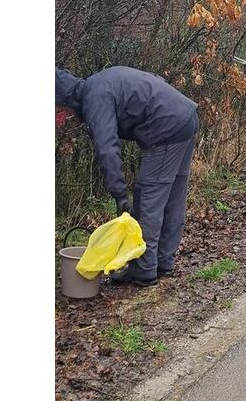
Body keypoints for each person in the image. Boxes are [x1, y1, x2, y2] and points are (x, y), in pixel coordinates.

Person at [55, 66, 199, 287]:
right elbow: (153, 81)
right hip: (185, 117)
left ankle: (144, 269)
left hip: (167, 128)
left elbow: (107, 149)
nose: (63, 117)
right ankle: (163, 261)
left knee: (148, 198)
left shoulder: (94, 99)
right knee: (173, 198)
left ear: (65, 100)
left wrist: (120, 195)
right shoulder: (99, 83)